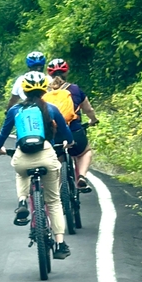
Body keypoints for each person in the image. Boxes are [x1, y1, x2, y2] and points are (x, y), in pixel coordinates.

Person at [0, 71, 73, 260]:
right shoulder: (51, 108)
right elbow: (66, 133)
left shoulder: (15, 110)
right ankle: (60, 244)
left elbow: (3, 134)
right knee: (53, 202)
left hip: (23, 154)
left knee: (21, 173)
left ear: (24, 91)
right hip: (46, 153)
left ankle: (22, 202)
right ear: (44, 89)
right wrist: (68, 143)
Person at [45, 58, 99, 193]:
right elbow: (89, 110)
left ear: (49, 74)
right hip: (74, 132)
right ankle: (81, 176)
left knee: (57, 158)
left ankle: (56, 189)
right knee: (85, 151)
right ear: (67, 72)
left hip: (54, 135)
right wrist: (93, 120)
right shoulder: (75, 89)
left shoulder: (44, 92)